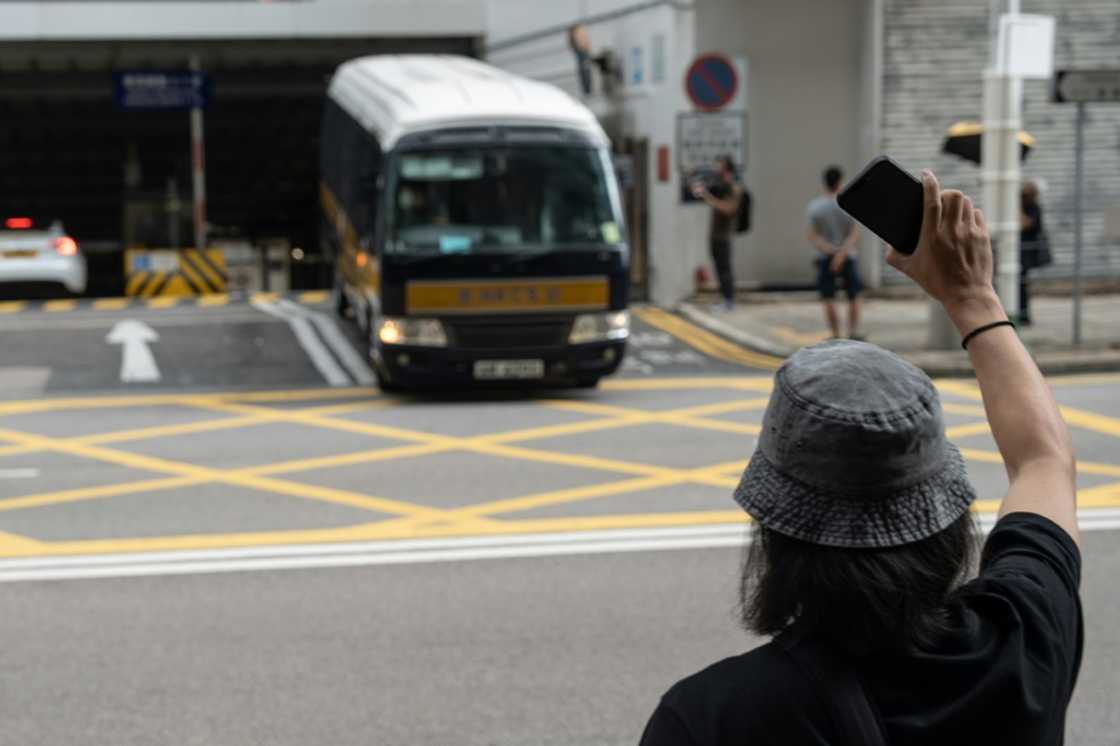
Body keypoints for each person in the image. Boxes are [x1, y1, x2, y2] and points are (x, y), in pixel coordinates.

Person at [640, 170, 1081, 746]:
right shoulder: (1024, 641)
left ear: (775, 527)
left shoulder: (714, 718)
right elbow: (1043, 460)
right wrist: (974, 298)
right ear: (944, 517)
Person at [807, 165, 864, 339]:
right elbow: (855, 233)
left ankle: (835, 334)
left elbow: (813, 236)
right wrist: (842, 253)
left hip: (826, 257)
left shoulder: (815, 207)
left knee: (828, 297)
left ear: (825, 183)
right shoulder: (849, 204)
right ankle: (852, 332)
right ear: (840, 181)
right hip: (848, 256)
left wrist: (832, 252)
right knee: (854, 295)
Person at [692, 156, 744, 311]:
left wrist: (708, 198)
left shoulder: (733, 187)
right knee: (719, 268)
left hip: (724, 236)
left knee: (724, 269)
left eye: (719, 166)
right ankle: (724, 299)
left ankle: (728, 301)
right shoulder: (723, 186)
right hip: (716, 235)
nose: (716, 169)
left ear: (727, 169)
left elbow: (729, 209)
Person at [1019, 180, 1048, 326]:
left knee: (1022, 285)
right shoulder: (1024, 206)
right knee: (1018, 285)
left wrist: (1015, 207)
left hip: (1026, 254)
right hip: (1019, 252)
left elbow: (1025, 224)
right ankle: (1020, 313)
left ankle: (1024, 316)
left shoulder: (1033, 208)